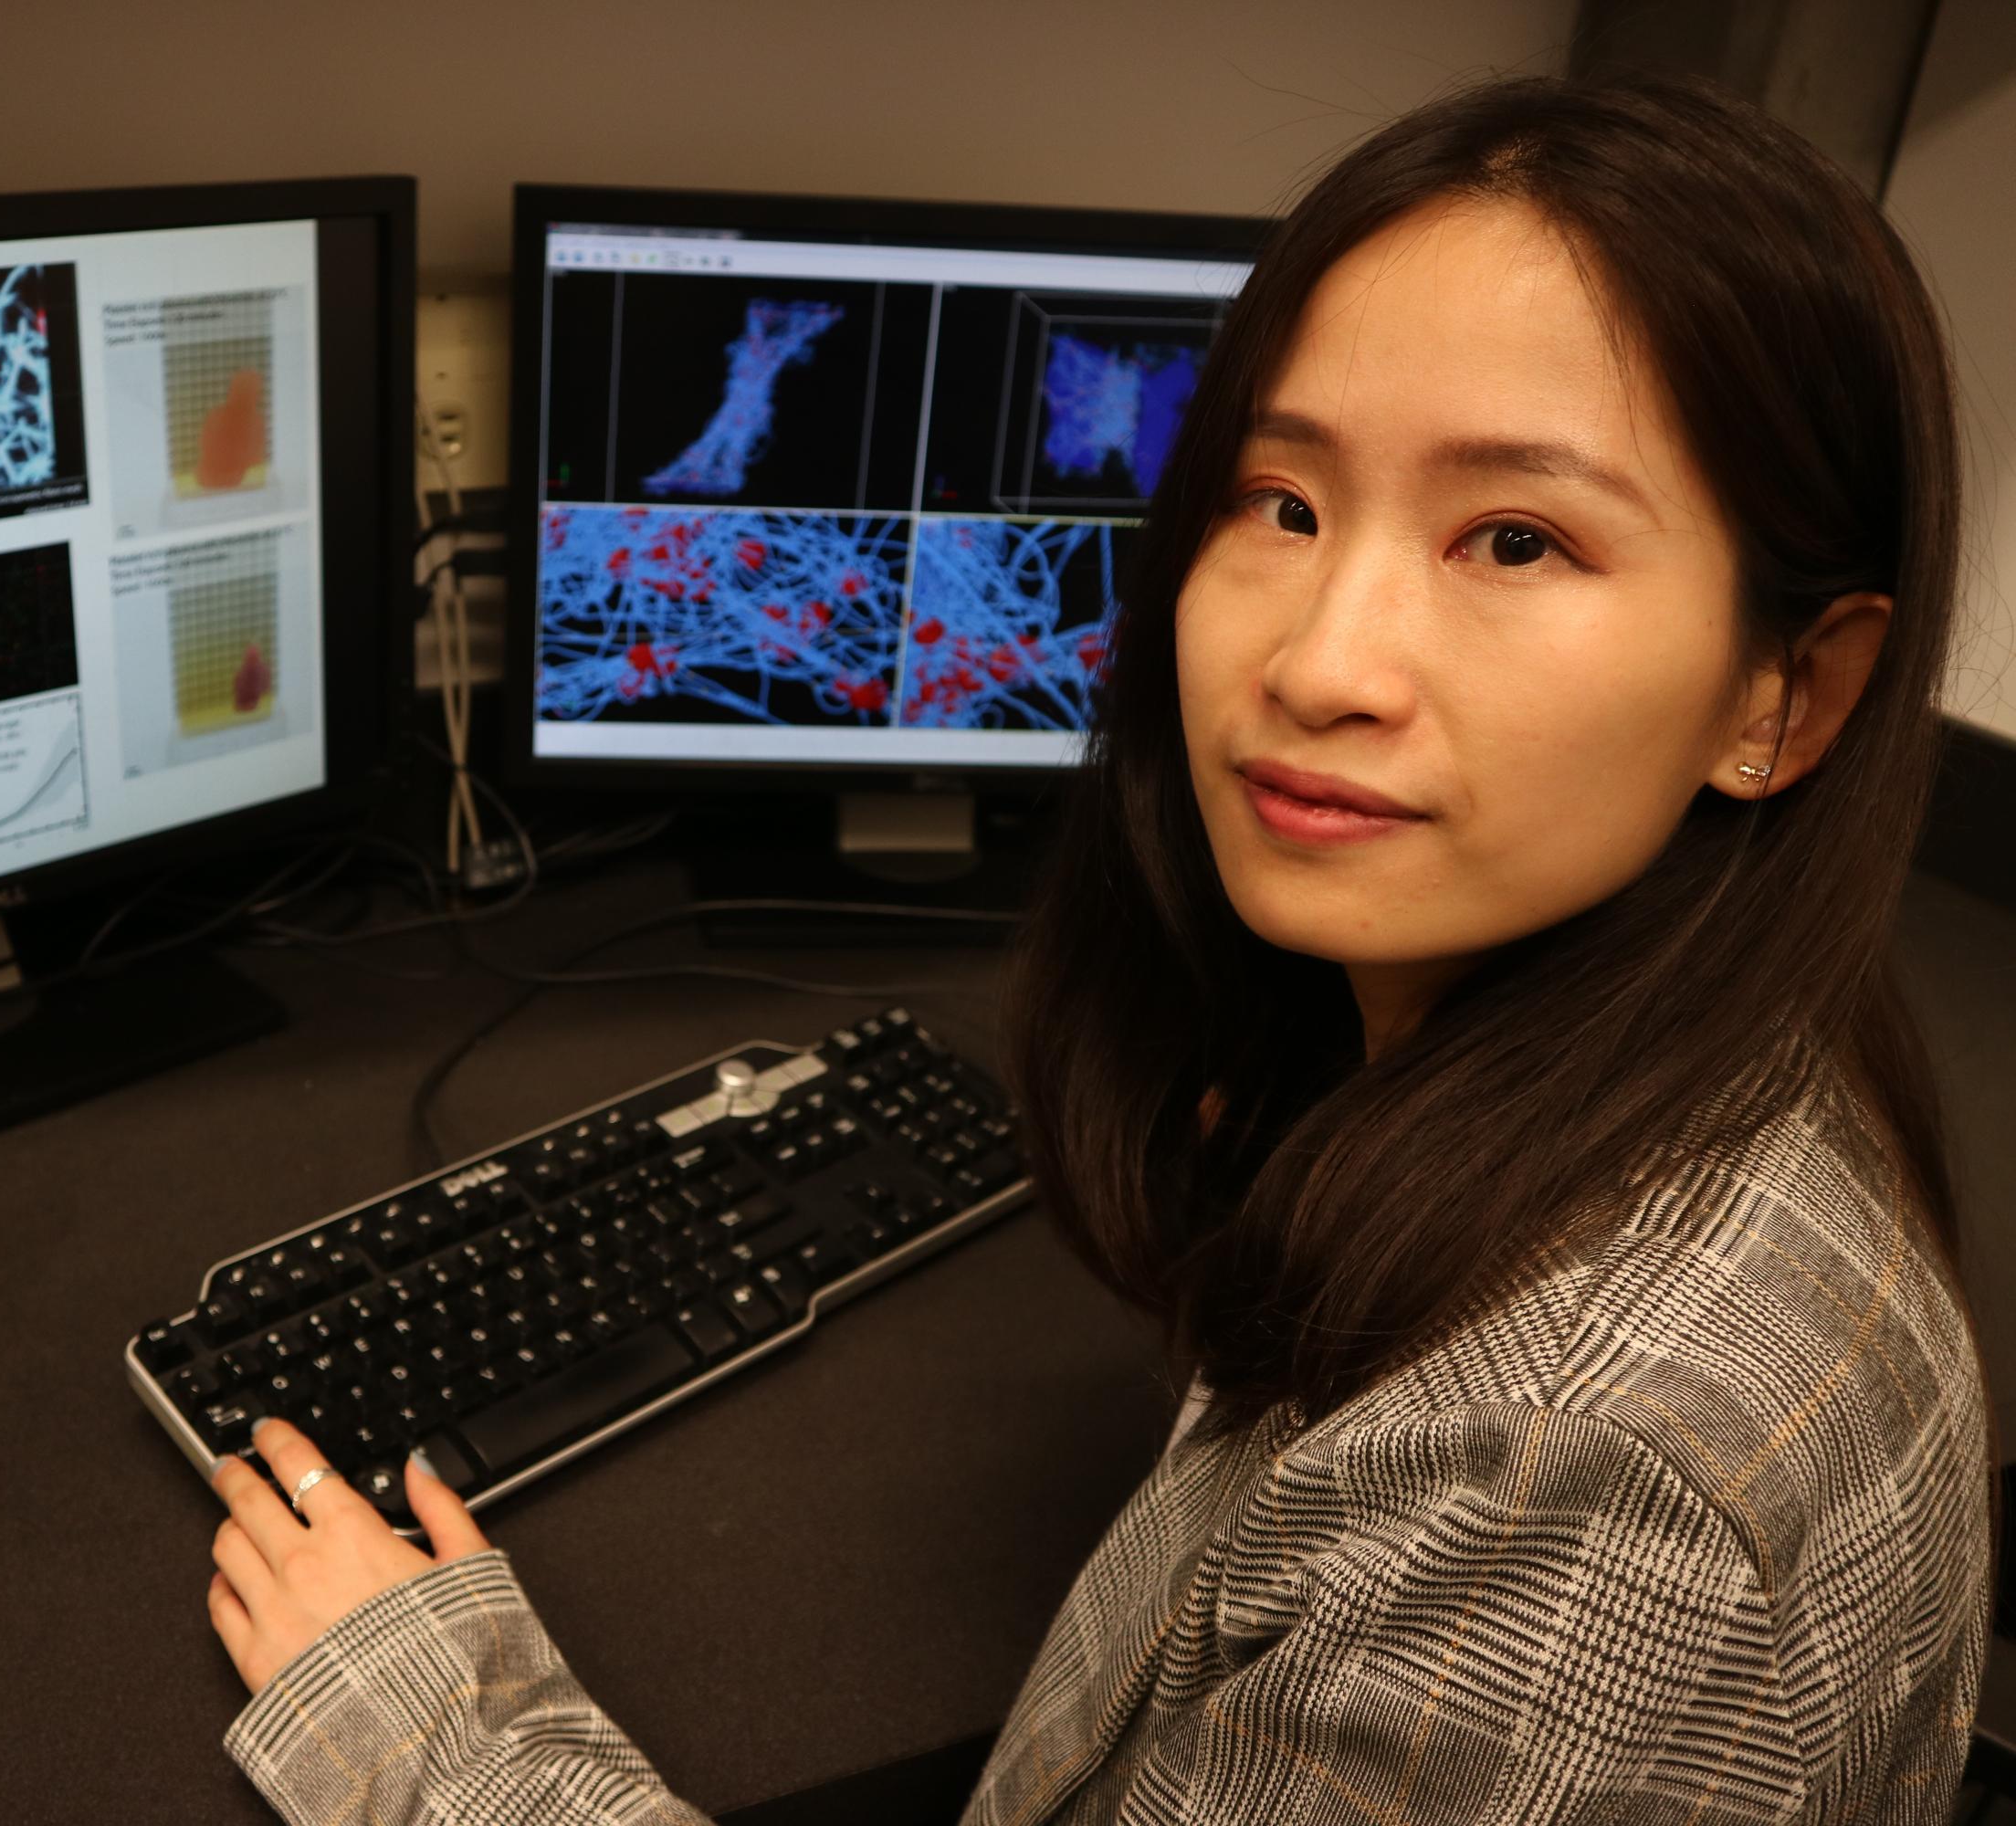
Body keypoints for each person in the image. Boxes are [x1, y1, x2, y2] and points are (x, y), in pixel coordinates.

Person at [197, 71, 1997, 1824]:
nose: (1316, 662)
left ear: (1789, 692)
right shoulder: (1710, 1076)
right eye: (1282, 503)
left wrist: (439, 1732)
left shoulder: (1582, 1493)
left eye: (1513, 538)